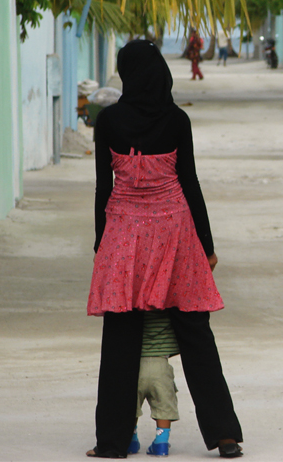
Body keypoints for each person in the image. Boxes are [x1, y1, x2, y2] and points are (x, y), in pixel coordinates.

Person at [87, 40, 243, 459]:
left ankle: (111, 442)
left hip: (125, 235)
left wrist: (102, 242)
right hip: (174, 232)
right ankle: (225, 435)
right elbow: (190, 183)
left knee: (120, 339)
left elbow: (105, 187)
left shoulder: (109, 121)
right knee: (196, 333)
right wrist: (206, 246)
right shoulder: (177, 121)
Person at [127, 311, 181, 457]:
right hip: (161, 364)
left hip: (136, 364)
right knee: (163, 404)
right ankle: (161, 443)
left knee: (132, 404)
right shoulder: (166, 312)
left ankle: (130, 440)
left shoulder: (134, 313)